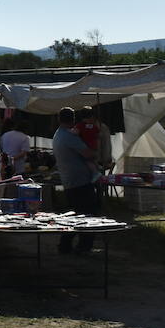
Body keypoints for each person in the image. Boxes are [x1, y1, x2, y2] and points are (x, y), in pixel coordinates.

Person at [53, 107, 98, 254]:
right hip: (80, 181)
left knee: (76, 214)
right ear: (73, 119)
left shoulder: (58, 134)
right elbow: (88, 153)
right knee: (87, 214)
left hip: (69, 180)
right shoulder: (69, 136)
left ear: (59, 119)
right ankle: (83, 247)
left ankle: (66, 245)